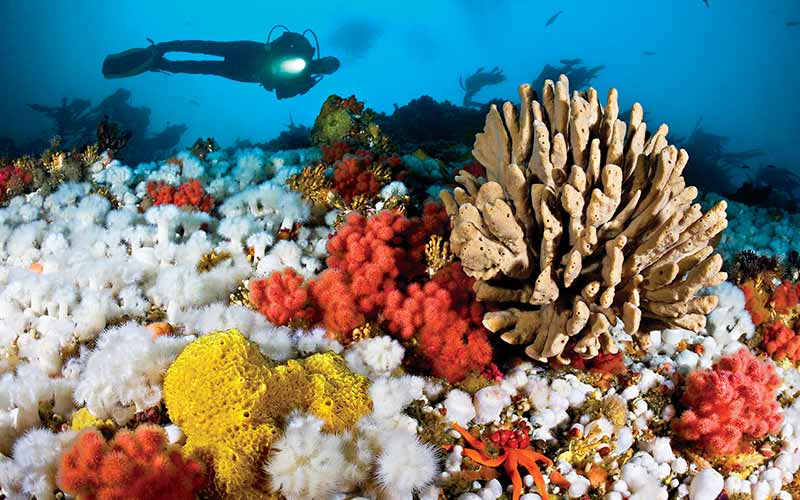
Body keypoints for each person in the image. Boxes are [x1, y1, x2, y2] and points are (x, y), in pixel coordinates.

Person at [102, 26, 340, 99]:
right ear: (325, 56)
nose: (326, 66)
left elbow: (281, 94)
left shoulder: (306, 82)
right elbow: (288, 35)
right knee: (206, 46)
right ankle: (162, 48)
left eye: (329, 69)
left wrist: (270, 84)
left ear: (327, 73)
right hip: (252, 50)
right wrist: (272, 46)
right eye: (329, 62)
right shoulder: (306, 47)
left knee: (205, 69)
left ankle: (161, 64)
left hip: (250, 74)